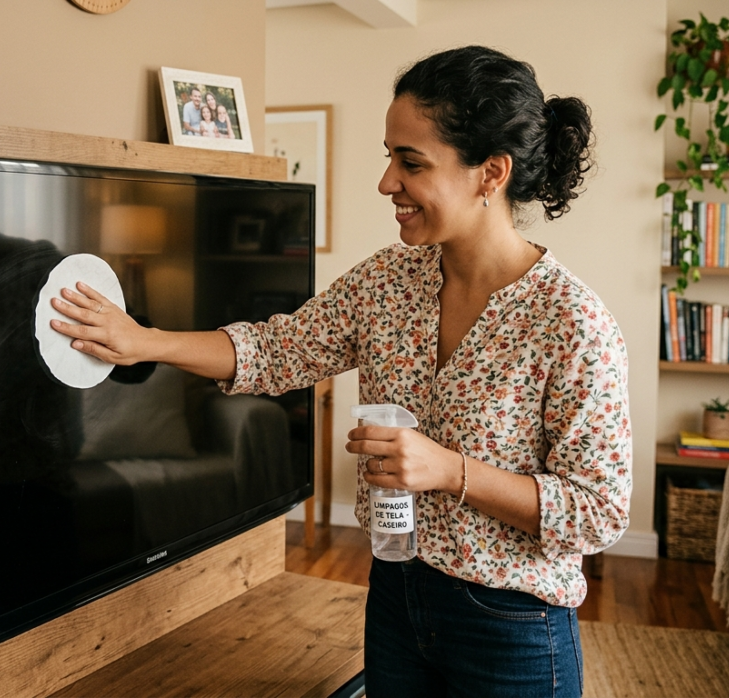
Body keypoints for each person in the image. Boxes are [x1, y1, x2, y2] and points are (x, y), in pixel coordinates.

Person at [51, 45, 629, 697]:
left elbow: (599, 511)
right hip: (395, 596)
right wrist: (143, 341)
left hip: (513, 623)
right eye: (390, 155)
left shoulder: (571, 321)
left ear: (490, 173)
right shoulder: (386, 280)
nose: (387, 182)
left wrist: (450, 471)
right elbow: (279, 350)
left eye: (410, 162)